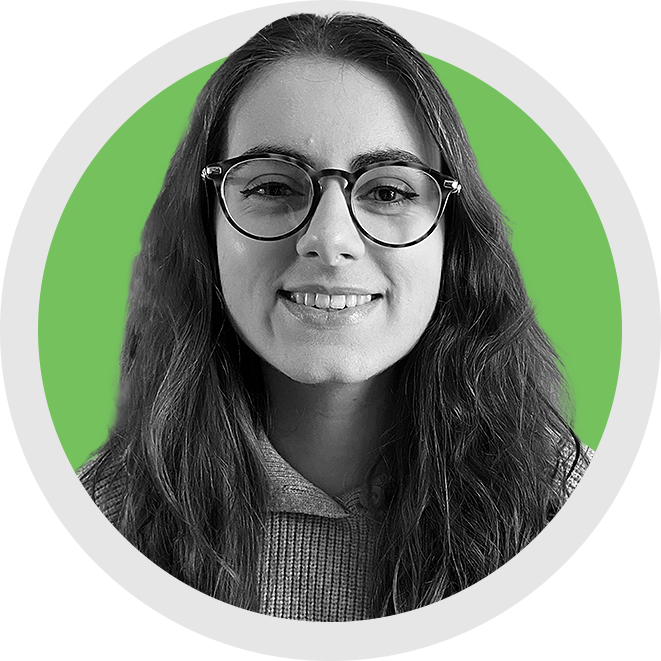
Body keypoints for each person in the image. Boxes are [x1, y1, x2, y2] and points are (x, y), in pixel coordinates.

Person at [79, 12, 591, 621]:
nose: (329, 239)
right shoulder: (96, 520)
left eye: (388, 192)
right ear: (203, 228)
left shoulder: (567, 504)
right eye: (272, 188)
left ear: (452, 240)